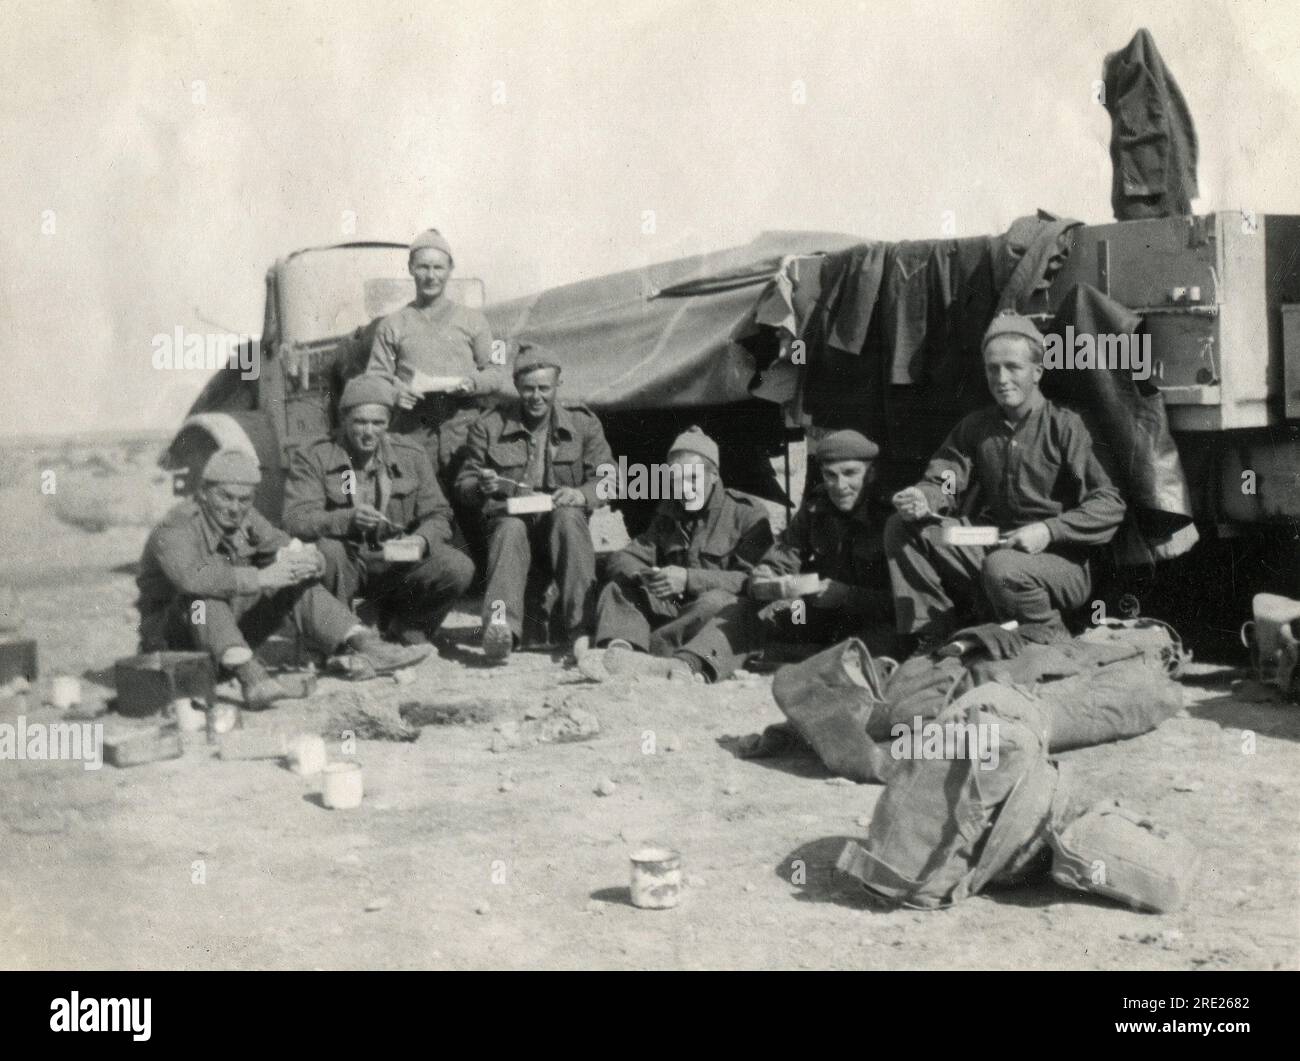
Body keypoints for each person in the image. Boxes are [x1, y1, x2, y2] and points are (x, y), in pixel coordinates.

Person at [885, 310, 1127, 649]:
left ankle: (1047, 636)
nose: (1001, 378)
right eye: (992, 368)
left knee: (1003, 567)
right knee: (905, 528)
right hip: (993, 538)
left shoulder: (1068, 426)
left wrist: (1048, 530)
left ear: (1037, 372)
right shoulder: (976, 427)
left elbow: (1108, 504)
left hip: (1062, 559)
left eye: (1013, 367)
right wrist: (926, 497)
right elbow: (948, 479)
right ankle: (936, 635)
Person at [136, 449, 430, 708]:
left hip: (225, 645)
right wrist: (262, 577)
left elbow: (283, 543)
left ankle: (365, 643)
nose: (235, 507)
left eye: (244, 499)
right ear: (203, 492)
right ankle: (251, 677)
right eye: (225, 496)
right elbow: (192, 577)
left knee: (293, 580)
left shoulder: (245, 518)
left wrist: (309, 559)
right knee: (202, 595)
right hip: (176, 647)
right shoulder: (176, 527)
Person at [281, 375, 475, 645]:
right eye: (360, 422)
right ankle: (341, 639)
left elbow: (439, 515)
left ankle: (407, 630)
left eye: (378, 423)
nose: (369, 431)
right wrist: (346, 519)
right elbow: (296, 519)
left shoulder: (411, 454)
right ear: (344, 419)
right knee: (330, 551)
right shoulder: (314, 456)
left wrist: (419, 540)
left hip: (397, 559)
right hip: (346, 563)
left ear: (389, 422)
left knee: (457, 566)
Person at [454, 342, 613, 662]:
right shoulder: (488, 425)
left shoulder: (583, 424)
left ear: (558, 386)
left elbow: (609, 479)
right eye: (528, 389)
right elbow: (463, 485)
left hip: (562, 529)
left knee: (568, 516)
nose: (536, 397)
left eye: (544, 388)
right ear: (516, 386)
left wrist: (582, 494)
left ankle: (581, 630)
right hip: (510, 527)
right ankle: (500, 627)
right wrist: (481, 485)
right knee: (510, 529)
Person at [577, 426, 774, 681]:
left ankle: (668, 658)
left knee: (719, 602)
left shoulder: (747, 513)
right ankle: (622, 650)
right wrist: (646, 575)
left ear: (713, 475)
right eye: (676, 480)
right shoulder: (669, 511)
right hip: (678, 611)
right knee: (618, 587)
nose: (684, 489)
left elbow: (752, 582)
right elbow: (626, 556)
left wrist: (688, 579)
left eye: (693, 478)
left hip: (718, 617)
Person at [366, 228, 503, 480]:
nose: (431, 276)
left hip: (466, 433)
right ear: (410, 268)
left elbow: (496, 373)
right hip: (412, 433)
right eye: (423, 267)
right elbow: (375, 378)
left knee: (471, 506)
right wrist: (396, 391)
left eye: (438, 268)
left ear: (450, 269)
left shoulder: (474, 320)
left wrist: (473, 383)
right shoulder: (393, 324)